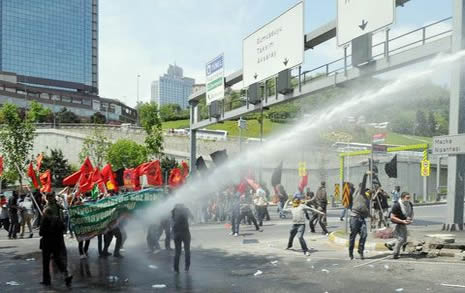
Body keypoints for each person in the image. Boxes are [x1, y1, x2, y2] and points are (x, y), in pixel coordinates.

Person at [39, 207, 72, 287]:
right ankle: (66, 274)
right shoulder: (58, 219)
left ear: (46, 213)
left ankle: (46, 280)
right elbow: (63, 229)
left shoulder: (45, 219)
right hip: (56, 243)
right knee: (58, 260)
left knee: (46, 262)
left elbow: (41, 232)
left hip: (47, 243)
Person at [385, 192, 414, 259]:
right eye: (407, 198)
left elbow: (411, 212)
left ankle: (390, 244)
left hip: (403, 223)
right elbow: (392, 217)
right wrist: (402, 221)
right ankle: (395, 253)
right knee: (401, 239)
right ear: (402, 198)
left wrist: (409, 218)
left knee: (404, 240)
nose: (408, 199)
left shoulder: (409, 204)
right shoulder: (397, 205)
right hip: (396, 223)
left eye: (409, 198)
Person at [348, 174, 370, 260]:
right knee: (353, 236)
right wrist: (365, 175)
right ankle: (350, 253)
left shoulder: (365, 198)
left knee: (364, 235)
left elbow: (365, 209)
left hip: (362, 218)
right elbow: (363, 183)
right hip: (354, 217)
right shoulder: (359, 193)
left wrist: (371, 216)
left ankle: (360, 251)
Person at [172, 203, 193, 273]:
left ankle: (176, 269)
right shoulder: (186, 210)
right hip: (185, 232)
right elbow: (192, 217)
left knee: (177, 252)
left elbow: (171, 220)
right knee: (187, 250)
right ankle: (187, 267)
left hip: (176, 233)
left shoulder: (173, 211)